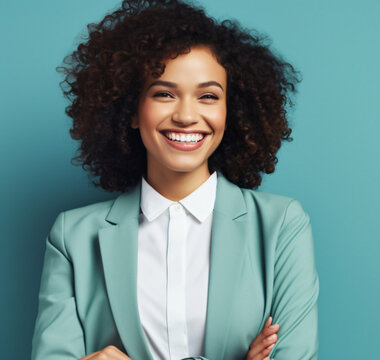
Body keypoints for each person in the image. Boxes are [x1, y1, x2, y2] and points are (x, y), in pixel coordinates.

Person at [30, 0, 319, 359]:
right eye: (164, 93)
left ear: (232, 110)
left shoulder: (281, 227)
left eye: (208, 96)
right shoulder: (72, 237)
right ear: (131, 110)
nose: (186, 115)